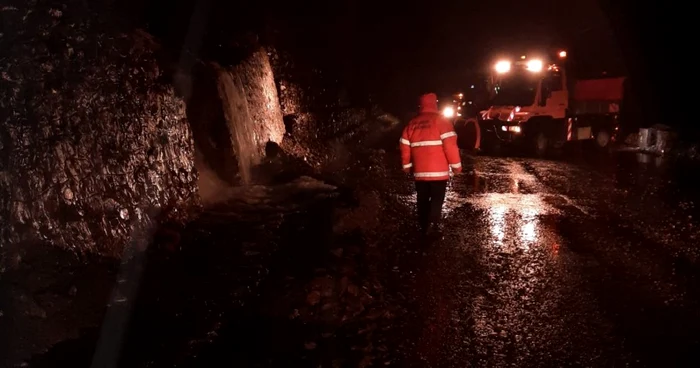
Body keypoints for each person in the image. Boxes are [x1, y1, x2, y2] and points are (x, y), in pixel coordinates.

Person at [400, 93, 462, 235]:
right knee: (436, 199)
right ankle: (432, 225)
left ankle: (422, 225)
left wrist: (406, 166)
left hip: (420, 173)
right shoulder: (443, 122)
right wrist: (456, 166)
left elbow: (404, 145)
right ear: (435, 104)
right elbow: (451, 147)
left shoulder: (412, 123)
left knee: (422, 199)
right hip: (439, 174)